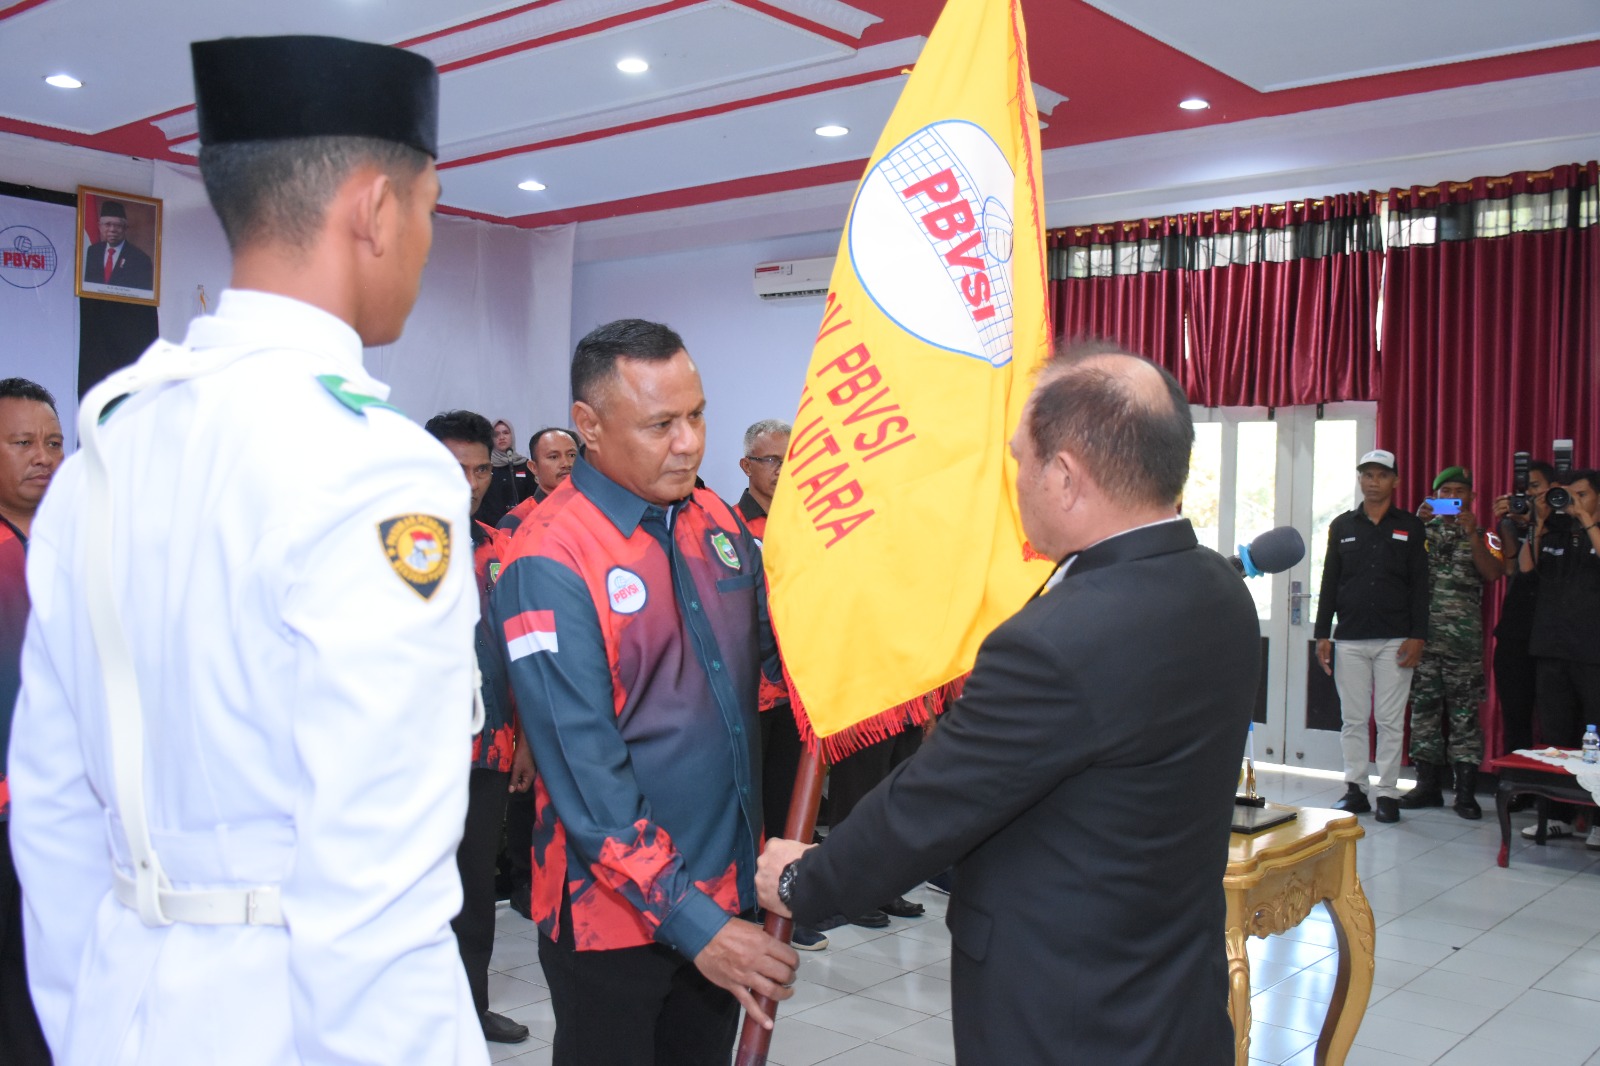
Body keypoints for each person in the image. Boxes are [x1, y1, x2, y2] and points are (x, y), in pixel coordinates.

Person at [9, 36, 490, 1065]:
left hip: (119, 1006)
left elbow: (52, 815)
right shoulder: (378, 470)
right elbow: (375, 883)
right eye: (431, 211)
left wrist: (90, 1013)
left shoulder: (103, 453)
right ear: (374, 209)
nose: (425, 243)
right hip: (292, 1022)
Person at [757, 347, 1261, 1066]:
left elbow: (929, 807)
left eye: (1019, 459)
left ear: (1064, 477)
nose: (1014, 479)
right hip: (1171, 992)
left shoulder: (1058, 640)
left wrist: (805, 880)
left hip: (1067, 1011)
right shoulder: (1220, 590)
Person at [492, 318, 797, 1065]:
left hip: (722, 893)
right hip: (616, 921)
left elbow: (770, 671)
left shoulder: (716, 523)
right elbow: (588, 784)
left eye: (696, 415)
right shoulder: (549, 559)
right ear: (589, 426)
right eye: (661, 423)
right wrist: (697, 925)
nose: (689, 442)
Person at [424, 410, 537, 1045]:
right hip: (416, 755)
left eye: (478, 469)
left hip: (490, 748)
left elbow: (520, 648)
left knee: (472, 889)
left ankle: (471, 1006)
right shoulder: (395, 548)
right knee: (415, 886)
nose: (468, 481)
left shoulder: (500, 547)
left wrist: (523, 739)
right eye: (454, 468)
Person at [0, 378, 63, 1065]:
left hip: (55, 809)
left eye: (52, 442)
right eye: (21, 443)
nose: (42, 457)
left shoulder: (74, 546)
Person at [1314, 449, 1429, 823]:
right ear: (1360, 479)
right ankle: (1356, 789)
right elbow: (1330, 581)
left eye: (1381, 475)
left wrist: (1418, 635)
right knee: (1353, 718)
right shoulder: (1343, 526)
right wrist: (1322, 634)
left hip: (1396, 637)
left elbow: (1420, 586)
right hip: (1349, 636)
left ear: (1395, 481)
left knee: (1390, 719)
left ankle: (1387, 793)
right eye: (1367, 474)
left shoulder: (1411, 526)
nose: (1373, 481)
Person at [1398, 466, 1501, 819]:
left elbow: (1493, 573)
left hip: (1464, 645)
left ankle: (1466, 793)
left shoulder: (1486, 535)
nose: (1452, 497)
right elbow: (1395, 569)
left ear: (1471, 497)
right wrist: (1415, 522)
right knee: (1424, 715)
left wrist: (1472, 534)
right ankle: (1426, 786)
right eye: (1445, 492)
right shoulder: (1418, 532)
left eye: (1459, 491)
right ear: (1435, 497)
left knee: (1464, 718)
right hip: (1422, 642)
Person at [1518, 467, 1600, 844]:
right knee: (1556, 736)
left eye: (1581, 495)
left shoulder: (1591, 533)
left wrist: (1585, 521)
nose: (1573, 502)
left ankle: (1597, 822)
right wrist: (1538, 523)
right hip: (1551, 647)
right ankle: (1558, 816)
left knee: (1595, 737)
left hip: (1592, 652)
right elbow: (1526, 569)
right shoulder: (1556, 533)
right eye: (1569, 495)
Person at [1491, 460, 1556, 758]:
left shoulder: (1569, 525)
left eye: (1535, 486)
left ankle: (1559, 791)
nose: (1528, 494)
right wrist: (1510, 525)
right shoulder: (1510, 523)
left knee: (1557, 716)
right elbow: (1510, 569)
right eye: (1524, 488)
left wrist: (1540, 521)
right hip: (1516, 630)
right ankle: (1516, 783)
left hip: (1555, 634)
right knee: (1515, 713)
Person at [497, 426, 578, 536]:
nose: (566, 463)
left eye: (572, 455)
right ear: (533, 467)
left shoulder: (593, 511)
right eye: (554, 457)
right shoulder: (517, 520)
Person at [81, 199, 155, 290]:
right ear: (99, 227)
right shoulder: (92, 251)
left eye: (118, 225)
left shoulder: (140, 259)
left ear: (125, 228)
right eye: (107, 224)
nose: (112, 229)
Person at [481, 419, 532, 524]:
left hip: (521, 527)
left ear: (512, 436)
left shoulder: (525, 465)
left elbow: (532, 499)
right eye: (496, 434)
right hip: (491, 528)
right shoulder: (486, 467)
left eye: (506, 433)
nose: (502, 437)